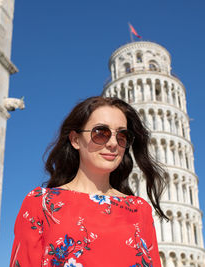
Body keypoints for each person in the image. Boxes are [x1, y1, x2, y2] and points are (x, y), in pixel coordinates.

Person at [10, 96, 167, 267]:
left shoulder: (139, 210)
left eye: (122, 136)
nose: (113, 143)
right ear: (75, 140)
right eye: (101, 133)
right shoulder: (41, 203)